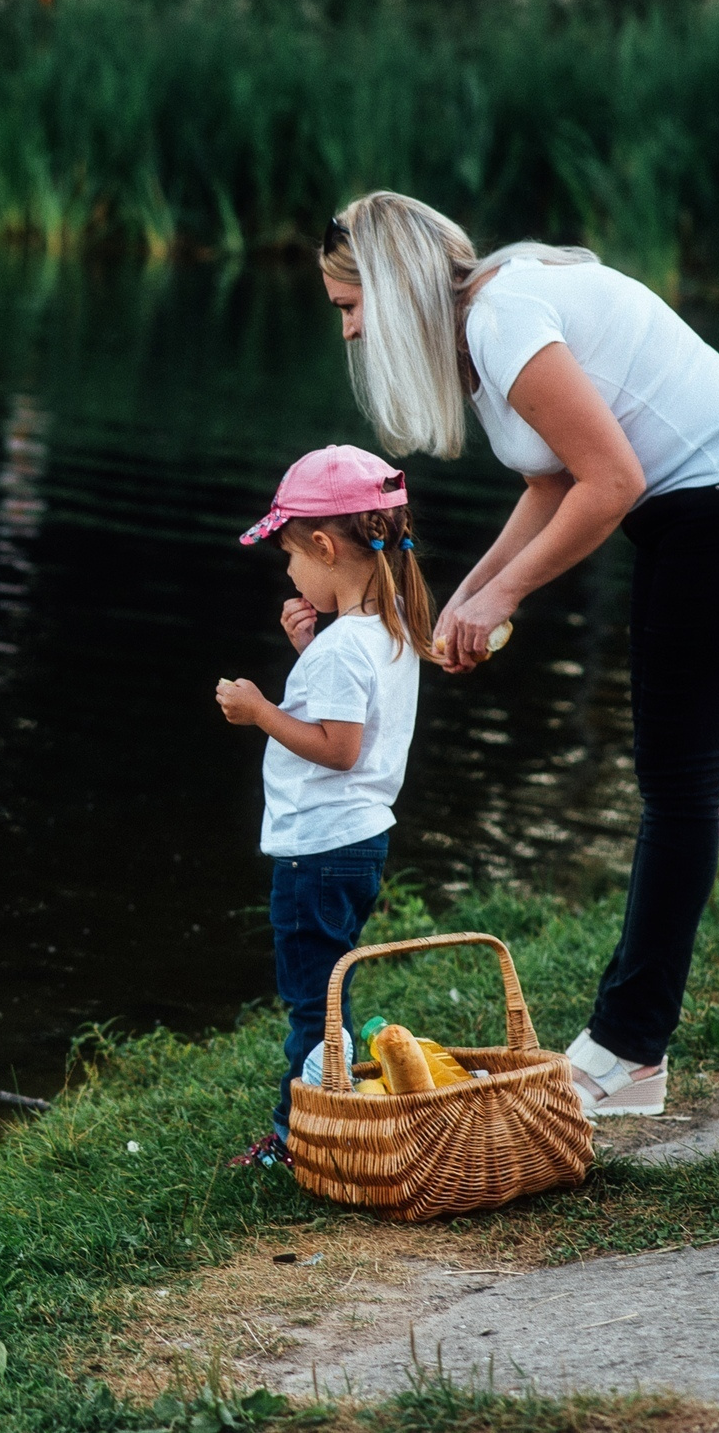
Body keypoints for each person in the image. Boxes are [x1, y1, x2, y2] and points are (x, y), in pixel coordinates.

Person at [318, 191, 719, 1118]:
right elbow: (555, 478)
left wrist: (505, 595)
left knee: (677, 783)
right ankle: (629, 1045)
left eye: (350, 308)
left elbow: (613, 480)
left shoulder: (503, 318)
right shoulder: (480, 324)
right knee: (670, 778)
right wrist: (469, 593)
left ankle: (631, 1052)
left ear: (389, 293)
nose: (348, 331)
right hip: (696, 512)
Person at [214, 444, 436, 1169]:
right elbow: (355, 715)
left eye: (290, 556)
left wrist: (259, 710)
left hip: (318, 851)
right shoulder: (391, 621)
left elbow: (339, 746)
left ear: (324, 544)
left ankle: (296, 1139)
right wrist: (311, 642)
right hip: (357, 843)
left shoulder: (347, 648)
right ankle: (346, 1094)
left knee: (311, 1005)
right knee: (329, 986)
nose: (288, 572)